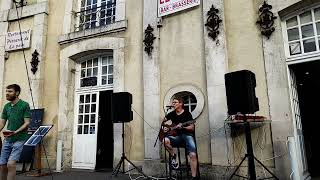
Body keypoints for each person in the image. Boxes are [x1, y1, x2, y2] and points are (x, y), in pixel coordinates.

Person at [163, 97, 199, 180]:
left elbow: (192, 127)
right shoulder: (171, 114)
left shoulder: (187, 113)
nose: (173, 104)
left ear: (180, 104)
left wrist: (183, 127)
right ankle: (173, 155)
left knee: (193, 155)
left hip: (187, 136)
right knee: (165, 140)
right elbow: (164, 120)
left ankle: (194, 177)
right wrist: (165, 127)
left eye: (175, 102)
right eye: (173, 103)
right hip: (176, 137)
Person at [0, 84, 30, 180]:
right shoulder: (6, 106)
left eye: (10, 91)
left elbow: (27, 123)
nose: (7, 93)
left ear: (17, 93)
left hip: (20, 139)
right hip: (8, 139)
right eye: (7, 91)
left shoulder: (24, 105)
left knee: (11, 164)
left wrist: (15, 132)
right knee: (2, 165)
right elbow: (2, 123)